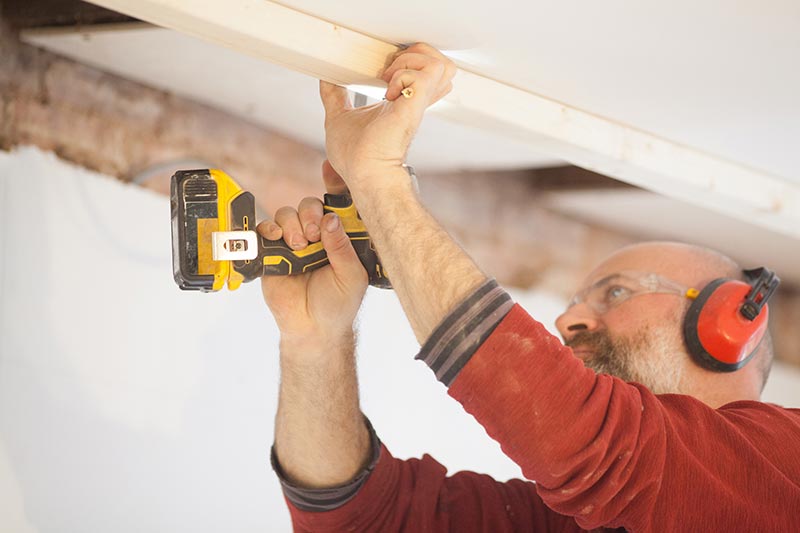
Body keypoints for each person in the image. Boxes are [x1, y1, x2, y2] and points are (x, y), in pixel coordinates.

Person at [257, 44, 800, 531]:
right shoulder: (570, 521)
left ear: (729, 322)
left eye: (615, 293)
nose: (566, 323)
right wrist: (314, 343)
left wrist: (378, 179)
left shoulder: (788, 464)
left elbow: (594, 444)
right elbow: (364, 521)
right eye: (576, 303)